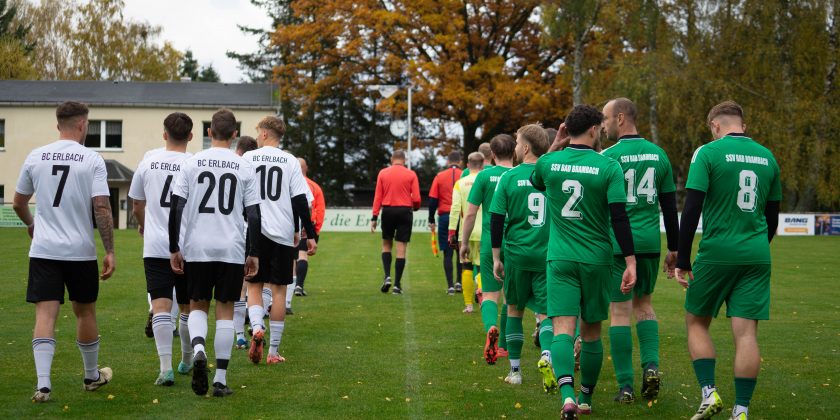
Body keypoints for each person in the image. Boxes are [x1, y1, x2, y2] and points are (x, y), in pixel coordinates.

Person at [675, 101, 781, 420]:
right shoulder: (768, 156)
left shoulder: (707, 153)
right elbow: (772, 217)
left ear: (715, 126)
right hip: (757, 253)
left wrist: (683, 259)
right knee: (747, 333)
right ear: (743, 125)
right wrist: (757, 246)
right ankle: (741, 409)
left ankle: (709, 393)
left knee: (696, 322)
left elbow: (692, 209)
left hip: (718, 251)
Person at [532, 104, 637, 418]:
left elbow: (536, 177)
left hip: (561, 258)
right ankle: (586, 397)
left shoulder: (550, 162)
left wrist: (555, 143)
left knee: (563, 329)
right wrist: (630, 262)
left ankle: (566, 396)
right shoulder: (608, 167)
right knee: (591, 332)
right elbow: (619, 218)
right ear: (593, 129)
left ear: (567, 129)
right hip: (597, 259)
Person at [13, 101, 115, 402]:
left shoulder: (36, 156)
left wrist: (32, 224)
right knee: (85, 311)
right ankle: (91, 376)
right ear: (82, 125)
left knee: (45, 313)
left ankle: (43, 385)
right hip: (80, 251)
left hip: (44, 249)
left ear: (59, 125)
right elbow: (101, 206)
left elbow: (19, 202)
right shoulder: (92, 159)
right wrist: (109, 249)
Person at [168, 109, 262, 397]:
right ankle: (220, 380)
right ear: (234, 135)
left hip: (198, 246)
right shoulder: (244, 165)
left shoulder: (192, 162)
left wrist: (174, 246)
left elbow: (176, 206)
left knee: (197, 304)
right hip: (231, 247)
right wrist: (253, 252)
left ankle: (198, 349)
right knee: (224, 312)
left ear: (210, 133)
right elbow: (254, 214)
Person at [600, 98, 679, 403]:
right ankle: (651, 366)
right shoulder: (659, 155)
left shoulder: (608, 158)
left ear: (620, 118)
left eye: (606, 118)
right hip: (649, 243)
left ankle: (626, 386)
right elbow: (670, 208)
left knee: (619, 312)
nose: (603, 125)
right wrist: (674, 249)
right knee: (644, 305)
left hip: (619, 245)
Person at [242, 116, 317, 365]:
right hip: (283, 233)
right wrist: (308, 232)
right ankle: (273, 352)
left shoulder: (248, 158)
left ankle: (256, 326)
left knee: (253, 285)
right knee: (279, 292)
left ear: (264, 134)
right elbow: (300, 200)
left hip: (254, 231)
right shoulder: (290, 161)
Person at [129, 112, 195, 386]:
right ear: (191, 136)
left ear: (164, 134)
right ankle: (188, 359)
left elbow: (136, 204)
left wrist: (144, 225)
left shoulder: (147, 163)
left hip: (156, 245)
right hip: (188, 247)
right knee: (188, 309)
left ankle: (165, 368)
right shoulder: (195, 164)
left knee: (160, 307)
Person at [489, 124, 556, 391]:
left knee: (514, 310)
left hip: (517, 255)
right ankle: (547, 355)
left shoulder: (509, 177)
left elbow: (496, 219)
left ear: (526, 147)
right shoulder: (552, 175)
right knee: (548, 313)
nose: (515, 147)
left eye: (517, 142)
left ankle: (515, 371)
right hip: (547, 254)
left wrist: (496, 257)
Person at [460, 134, 516, 365]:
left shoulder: (484, 176)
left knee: (490, 294)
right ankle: (503, 345)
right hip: (517, 243)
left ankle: (491, 327)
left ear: (491, 155)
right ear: (515, 151)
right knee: (511, 300)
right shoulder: (521, 174)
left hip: (489, 242)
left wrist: (464, 243)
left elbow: (470, 213)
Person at [370, 150, 421, 295]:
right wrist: (415, 208)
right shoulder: (411, 174)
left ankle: (387, 276)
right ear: (404, 160)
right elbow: (416, 198)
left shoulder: (383, 173)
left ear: (392, 159)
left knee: (386, 244)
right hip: (405, 211)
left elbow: (377, 196)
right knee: (401, 248)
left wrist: (374, 217)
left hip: (388, 210)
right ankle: (397, 285)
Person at [449, 152, 485, 313]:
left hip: (467, 230)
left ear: (468, 165)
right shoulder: (486, 180)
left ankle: (468, 304)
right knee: (484, 267)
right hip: (485, 230)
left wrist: (451, 231)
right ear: (483, 164)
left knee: (466, 266)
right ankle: (482, 295)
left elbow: (455, 208)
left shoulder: (460, 183)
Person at [232, 136, 258, 349]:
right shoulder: (252, 169)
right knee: (257, 283)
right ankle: (256, 323)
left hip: (232, 232)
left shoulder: (233, 166)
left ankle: (240, 334)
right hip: (252, 230)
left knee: (239, 286)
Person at [428, 151, 463, 294]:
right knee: (461, 251)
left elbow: (433, 200)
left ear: (448, 161)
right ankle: (460, 282)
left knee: (447, 253)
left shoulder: (439, 176)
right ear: (460, 162)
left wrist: (431, 218)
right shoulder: (465, 175)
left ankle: (450, 286)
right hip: (461, 217)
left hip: (445, 217)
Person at [294, 157, 325, 297]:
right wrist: (315, 230)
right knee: (302, 254)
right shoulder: (314, 186)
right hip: (306, 225)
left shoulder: (287, 182)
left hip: (288, 224)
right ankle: (298, 285)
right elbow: (319, 209)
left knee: (291, 257)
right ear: (306, 168)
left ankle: (290, 286)